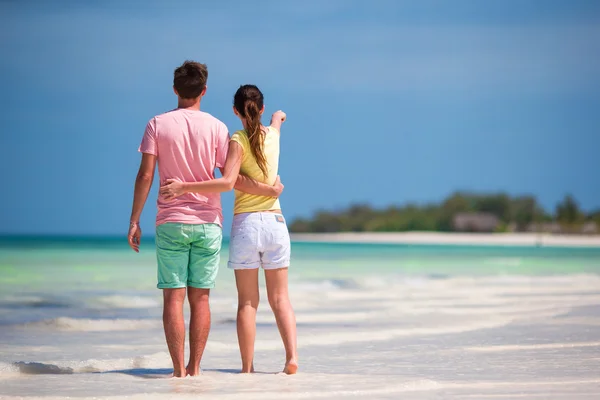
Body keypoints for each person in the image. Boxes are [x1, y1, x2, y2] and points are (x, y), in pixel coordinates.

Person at [127, 62, 283, 378]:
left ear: (175, 90)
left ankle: (177, 371)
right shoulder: (217, 128)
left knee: (173, 296)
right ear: (204, 91)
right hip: (209, 222)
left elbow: (145, 174)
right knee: (201, 297)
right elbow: (231, 178)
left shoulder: (157, 124)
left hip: (170, 221)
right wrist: (269, 189)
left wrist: (134, 220)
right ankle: (195, 368)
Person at [160, 84, 298, 375]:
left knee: (248, 302)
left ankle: (247, 367)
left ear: (235, 111)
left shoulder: (236, 139)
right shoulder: (272, 135)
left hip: (247, 223)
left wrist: (184, 186)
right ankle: (291, 358)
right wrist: (278, 116)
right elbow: (276, 122)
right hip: (275, 222)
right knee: (280, 299)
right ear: (260, 109)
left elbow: (230, 181)